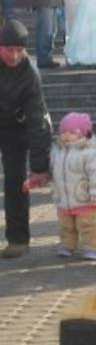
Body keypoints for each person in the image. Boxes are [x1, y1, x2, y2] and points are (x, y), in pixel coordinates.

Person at [0, 20, 52, 258]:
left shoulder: (29, 72)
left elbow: (37, 119)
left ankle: (18, 239)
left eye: (19, 50)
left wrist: (40, 166)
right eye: (9, 49)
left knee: (15, 181)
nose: (14, 55)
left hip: (16, 129)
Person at [49, 112, 96, 260]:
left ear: (84, 134)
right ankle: (67, 245)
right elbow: (51, 170)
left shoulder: (90, 154)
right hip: (63, 199)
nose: (66, 135)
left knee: (87, 226)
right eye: (63, 132)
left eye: (72, 132)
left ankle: (93, 247)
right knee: (66, 226)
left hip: (84, 199)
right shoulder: (56, 151)